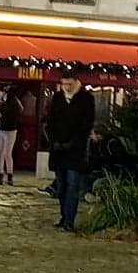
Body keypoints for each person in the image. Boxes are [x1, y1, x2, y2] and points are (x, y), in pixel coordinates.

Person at [48, 71, 97, 231]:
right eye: (64, 84)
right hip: (58, 150)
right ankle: (64, 216)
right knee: (61, 186)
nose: (67, 87)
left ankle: (69, 219)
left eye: (69, 84)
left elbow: (86, 125)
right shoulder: (57, 98)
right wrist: (54, 141)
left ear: (76, 82)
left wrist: (73, 143)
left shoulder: (86, 99)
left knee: (72, 186)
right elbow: (50, 121)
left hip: (75, 151)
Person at [0, 87, 22, 184]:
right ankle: (0, 174)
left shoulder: (12, 103)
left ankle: (8, 175)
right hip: (2, 129)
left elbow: (3, 113)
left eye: (2, 92)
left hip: (10, 130)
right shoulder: (6, 102)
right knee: (0, 153)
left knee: (6, 153)